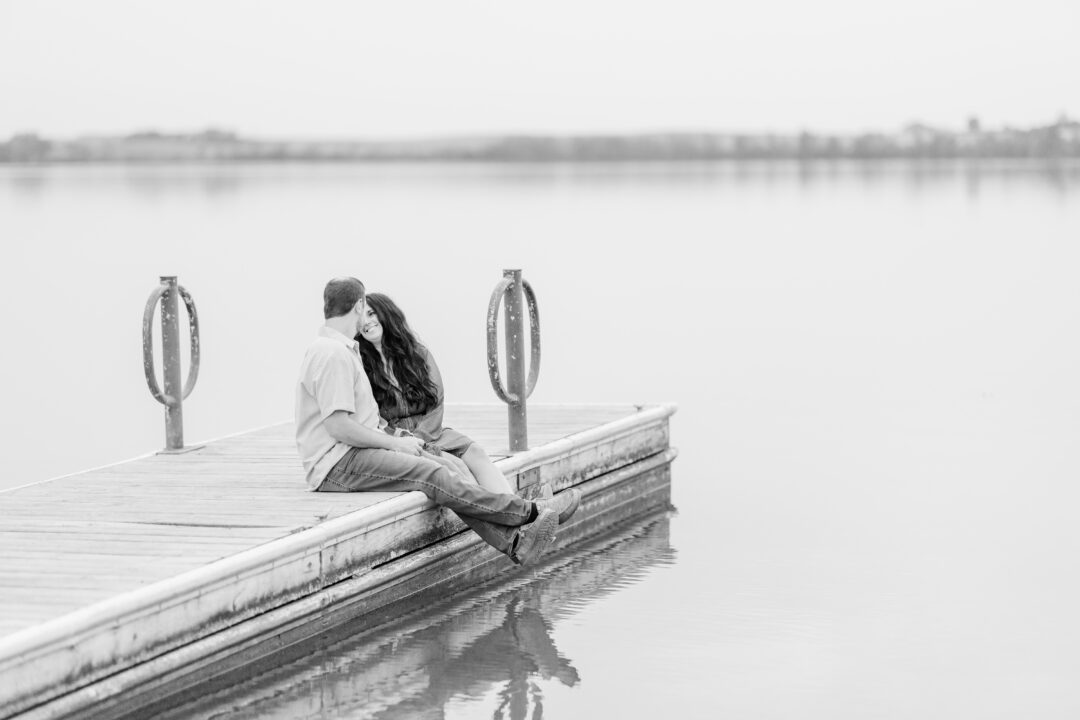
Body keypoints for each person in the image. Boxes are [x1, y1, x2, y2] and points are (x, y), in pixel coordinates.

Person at [295, 277, 581, 567]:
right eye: (365, 308)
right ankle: (528, 512)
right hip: (338, 464)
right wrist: (396, 442)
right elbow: (338, 426)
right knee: (432, 474)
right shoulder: (332, 354)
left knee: (441, 468)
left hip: (354, 454)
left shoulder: (341, 350)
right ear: (359, 305)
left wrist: (404, 443)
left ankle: (516, 540)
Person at [355, 292, 513, 495]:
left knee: (475, 452)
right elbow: (372, 417)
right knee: (457, 466)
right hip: (397, 439)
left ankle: (523, 512)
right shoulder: (360, 364)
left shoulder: (417, 354)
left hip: (431, 431)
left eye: (371, 314)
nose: (366, 322)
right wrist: (406, 440)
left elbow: (436, 400)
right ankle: (511, 516)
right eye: (361, 319)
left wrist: (422, 436)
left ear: (386, 314)